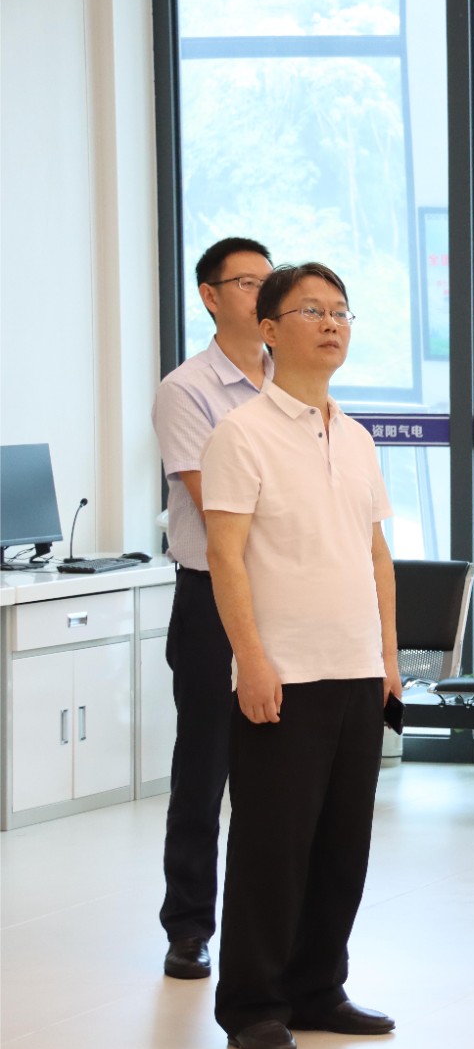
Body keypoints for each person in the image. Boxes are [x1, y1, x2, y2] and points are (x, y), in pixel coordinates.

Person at [202, 263, 400, 1049]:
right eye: (312, 310)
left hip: (355, 668)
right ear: (270, 330)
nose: (331, 324)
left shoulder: (355, 436)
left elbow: (377, 556)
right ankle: (253, 1003)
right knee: (270, 849)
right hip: (282, 673)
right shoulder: (240, 433)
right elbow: (225, 555)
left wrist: (387, 658)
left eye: (341, 311)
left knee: (342, 846)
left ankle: (318, 989)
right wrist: (250, 659)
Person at [151, 236, 274, 981]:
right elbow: (213, 500)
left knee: (279, 773)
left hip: (286, 594)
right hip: (210, 596)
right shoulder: (189, 389)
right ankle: (189, 926)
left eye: (269, 280)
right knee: (204, 767)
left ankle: (272, 931)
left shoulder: (292, 380)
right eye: (248, 282)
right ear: (210, 296)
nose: (264, 293)